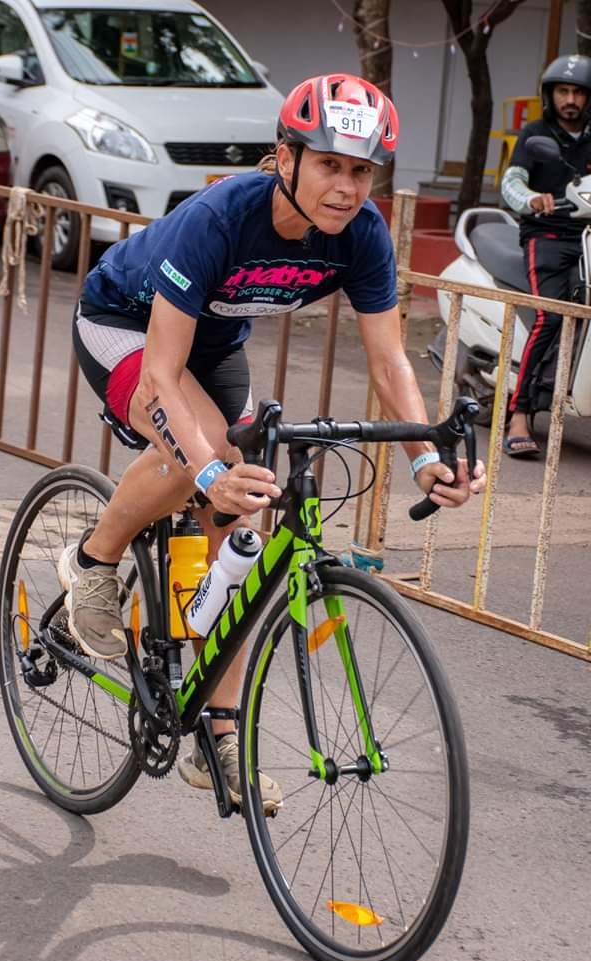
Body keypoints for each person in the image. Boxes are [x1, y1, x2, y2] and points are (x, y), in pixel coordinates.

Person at [60, 72, 487, 811]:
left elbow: (389, 360)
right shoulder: (221, 216)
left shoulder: (363, 234)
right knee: (205, 459)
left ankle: (219, 735)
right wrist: (206, 472)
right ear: (286, 157)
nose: (346, 187)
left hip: (215, 344)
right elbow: (160, 375)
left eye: (362, 171)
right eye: (329, 164)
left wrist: (424, 457)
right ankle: (93, 560)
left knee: (244, 522)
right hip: (124, 324)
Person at [501, 54, 591, 457]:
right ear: (550, 95)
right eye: (563, 91)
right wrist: (531, 199)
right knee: (550, 316)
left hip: (587, 236)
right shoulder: (535, 134)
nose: (570, 99)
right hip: (548, 236)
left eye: (578, 92)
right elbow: (512, 182)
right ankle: (519, 414)